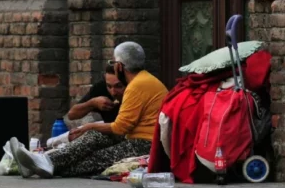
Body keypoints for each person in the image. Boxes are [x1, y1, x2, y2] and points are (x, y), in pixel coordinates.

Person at [10, 41, 169, 178]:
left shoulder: (137, 85)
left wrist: (89, 126)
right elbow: (74, 115)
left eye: (113, 63)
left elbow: (121, 128)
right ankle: (42, 162)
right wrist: (91, 123)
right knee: (95, 135)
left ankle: (41, 165)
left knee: (92, 160)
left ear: (120, 66)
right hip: (132, 138)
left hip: (145, 144)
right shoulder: (142, 80)